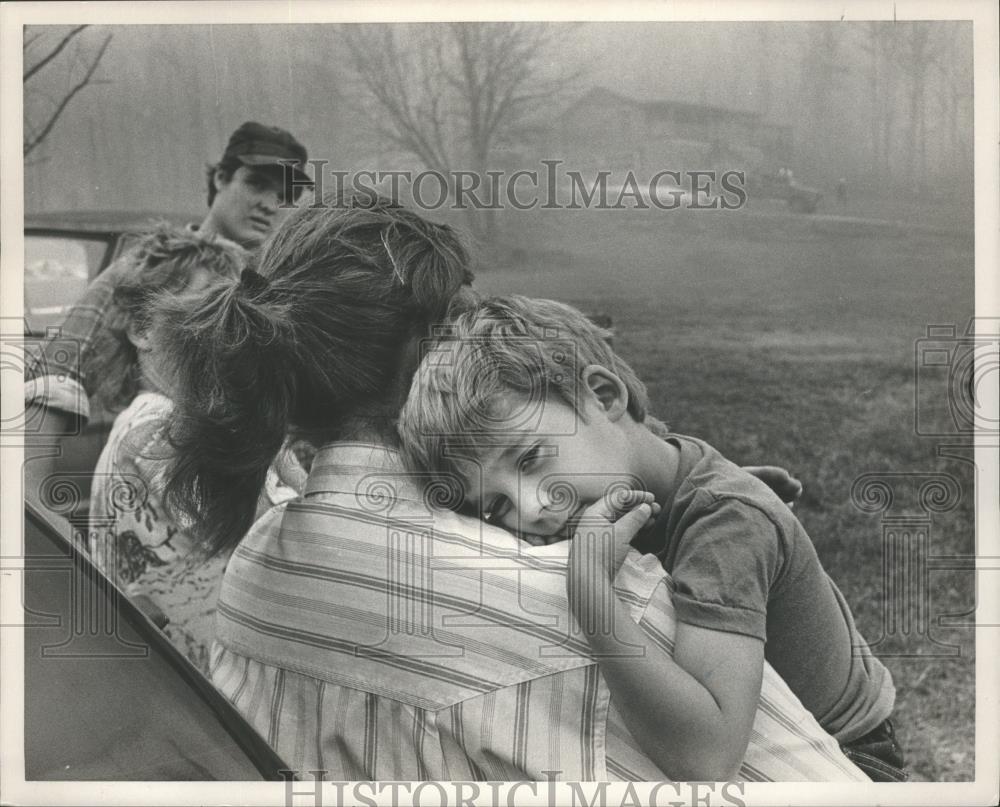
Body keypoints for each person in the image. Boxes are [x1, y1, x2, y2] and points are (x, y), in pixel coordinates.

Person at [151, 194, 868, 781]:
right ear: (431, 353)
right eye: (467, 319)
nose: (528, 513)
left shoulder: (247, 580)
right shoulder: (575, 592)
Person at [397, 294, 906, 782]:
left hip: (850, 761)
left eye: (531, 459)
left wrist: (590, 590)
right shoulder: (661, 475)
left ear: (604, 396)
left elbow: (706, 758)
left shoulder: (727, 526)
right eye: (497, 506)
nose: (531, 509)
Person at [84, 226, 292, 673]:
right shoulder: (159, 428)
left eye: (232, 315)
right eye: (205, 313)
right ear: (142, 328)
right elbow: (280, 540)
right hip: (209, 695)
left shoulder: (152, 423)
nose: (226, 335)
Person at [24, 120, 311, 427]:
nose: (269, 205)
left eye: (283, 197)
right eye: (256, 183)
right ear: (221, 177)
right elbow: (53, 380)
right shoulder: (150, 268)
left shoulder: (278, 291)